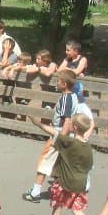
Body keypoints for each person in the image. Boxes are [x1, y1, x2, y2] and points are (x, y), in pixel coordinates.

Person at [28, 113, 94, 215]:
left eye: (70, 123)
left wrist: (37, 123)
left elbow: (52, 132)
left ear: (74, 127)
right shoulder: (88, 147)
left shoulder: (68, 142)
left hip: (63, 181)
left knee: (57, 206)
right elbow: (89, 166)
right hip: (79, 183)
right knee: (78, 211)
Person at [22, 69, 80, 203]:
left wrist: (61, 138)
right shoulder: (74, 96)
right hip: (66, 134)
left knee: (44, 160)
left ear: (64, 84)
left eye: (58, 81)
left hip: (59, 134)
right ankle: (65, 190)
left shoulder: (66, 98)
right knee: (61, 163)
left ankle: (35, 192)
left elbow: (67, 120)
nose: (56, 83)